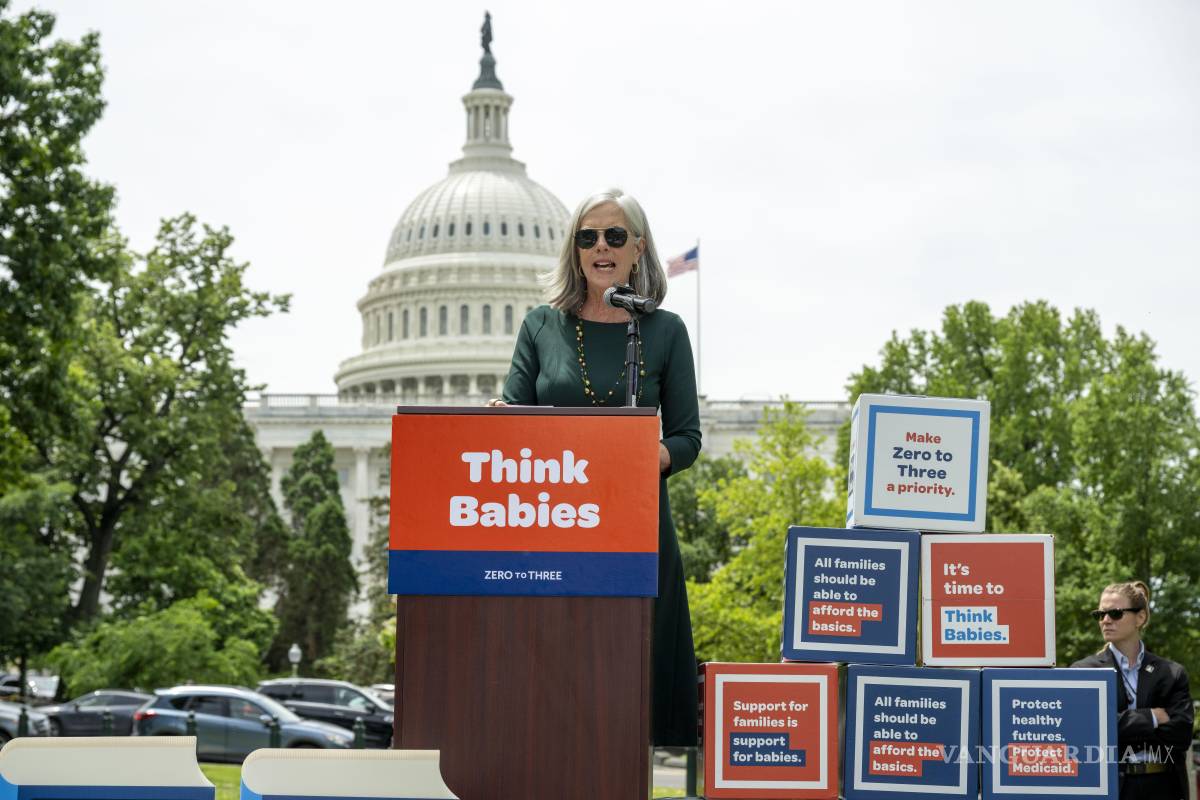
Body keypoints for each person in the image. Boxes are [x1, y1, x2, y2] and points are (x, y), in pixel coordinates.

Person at [489, 188, 701, 746]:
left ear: (638, 248)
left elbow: (688, 437)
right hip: (555, 523)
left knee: (627, 685)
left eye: (614, 235)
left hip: (635, 524)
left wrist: (653, 454)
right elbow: (515, 418)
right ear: (575, 249)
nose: (600, 247)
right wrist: (498, 420)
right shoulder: (541, 325)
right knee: (556, 684)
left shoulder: (665, 330)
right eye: (588, 237)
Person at [1072, 581, 1194, 800]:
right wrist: (1152, 717)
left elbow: (1181, 735)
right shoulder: (1083, 671)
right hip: (1108, 787)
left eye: (1115, 613)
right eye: (1100, 614)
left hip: (1163, 787)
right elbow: (1087, 730)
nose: (1105, 620)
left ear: (1140, 617)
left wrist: (1118, 724)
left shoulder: (1171, 673)